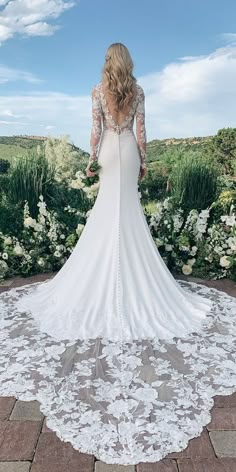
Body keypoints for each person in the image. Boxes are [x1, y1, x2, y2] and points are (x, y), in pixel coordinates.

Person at [0, 42, 236, 466]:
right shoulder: (139, 91)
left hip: (110, 150)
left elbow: (95, 131)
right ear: (128, 64)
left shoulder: (96, 91)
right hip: (126, 149)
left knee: (107, 213)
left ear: (108, 64)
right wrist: (143, 161)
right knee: (127, 215)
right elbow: (141, 132)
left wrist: (92, 160)